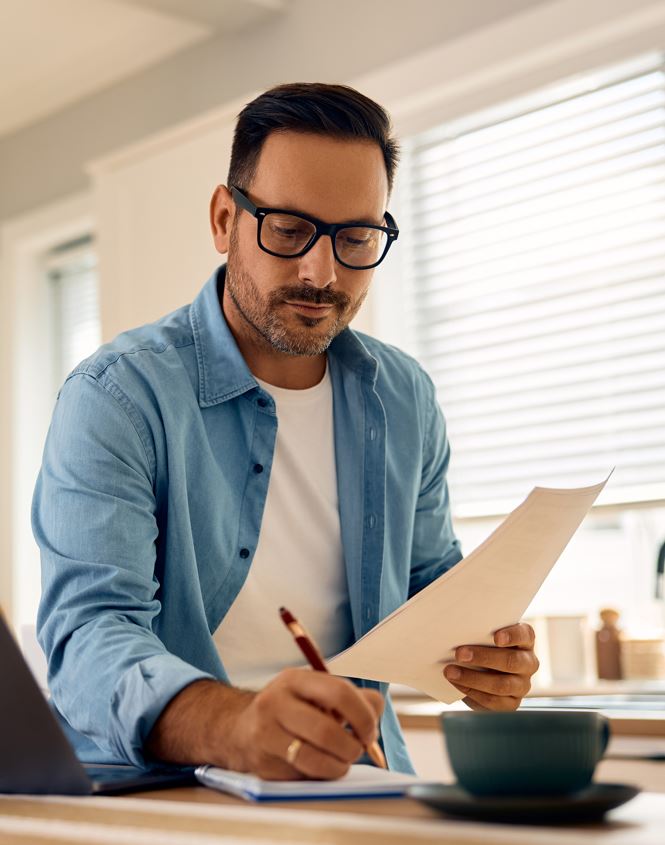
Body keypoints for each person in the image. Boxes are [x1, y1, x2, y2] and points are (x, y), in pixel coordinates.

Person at [33, 82, 539, 780]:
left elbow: (429, 586)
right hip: (173, 793)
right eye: (290, 229)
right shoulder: (118, 396)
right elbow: (88, 639)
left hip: (363, 781)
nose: (320, 271)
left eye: (355, 236)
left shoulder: (403, 396)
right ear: (223, 219)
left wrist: (484, 656)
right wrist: (238, 725)